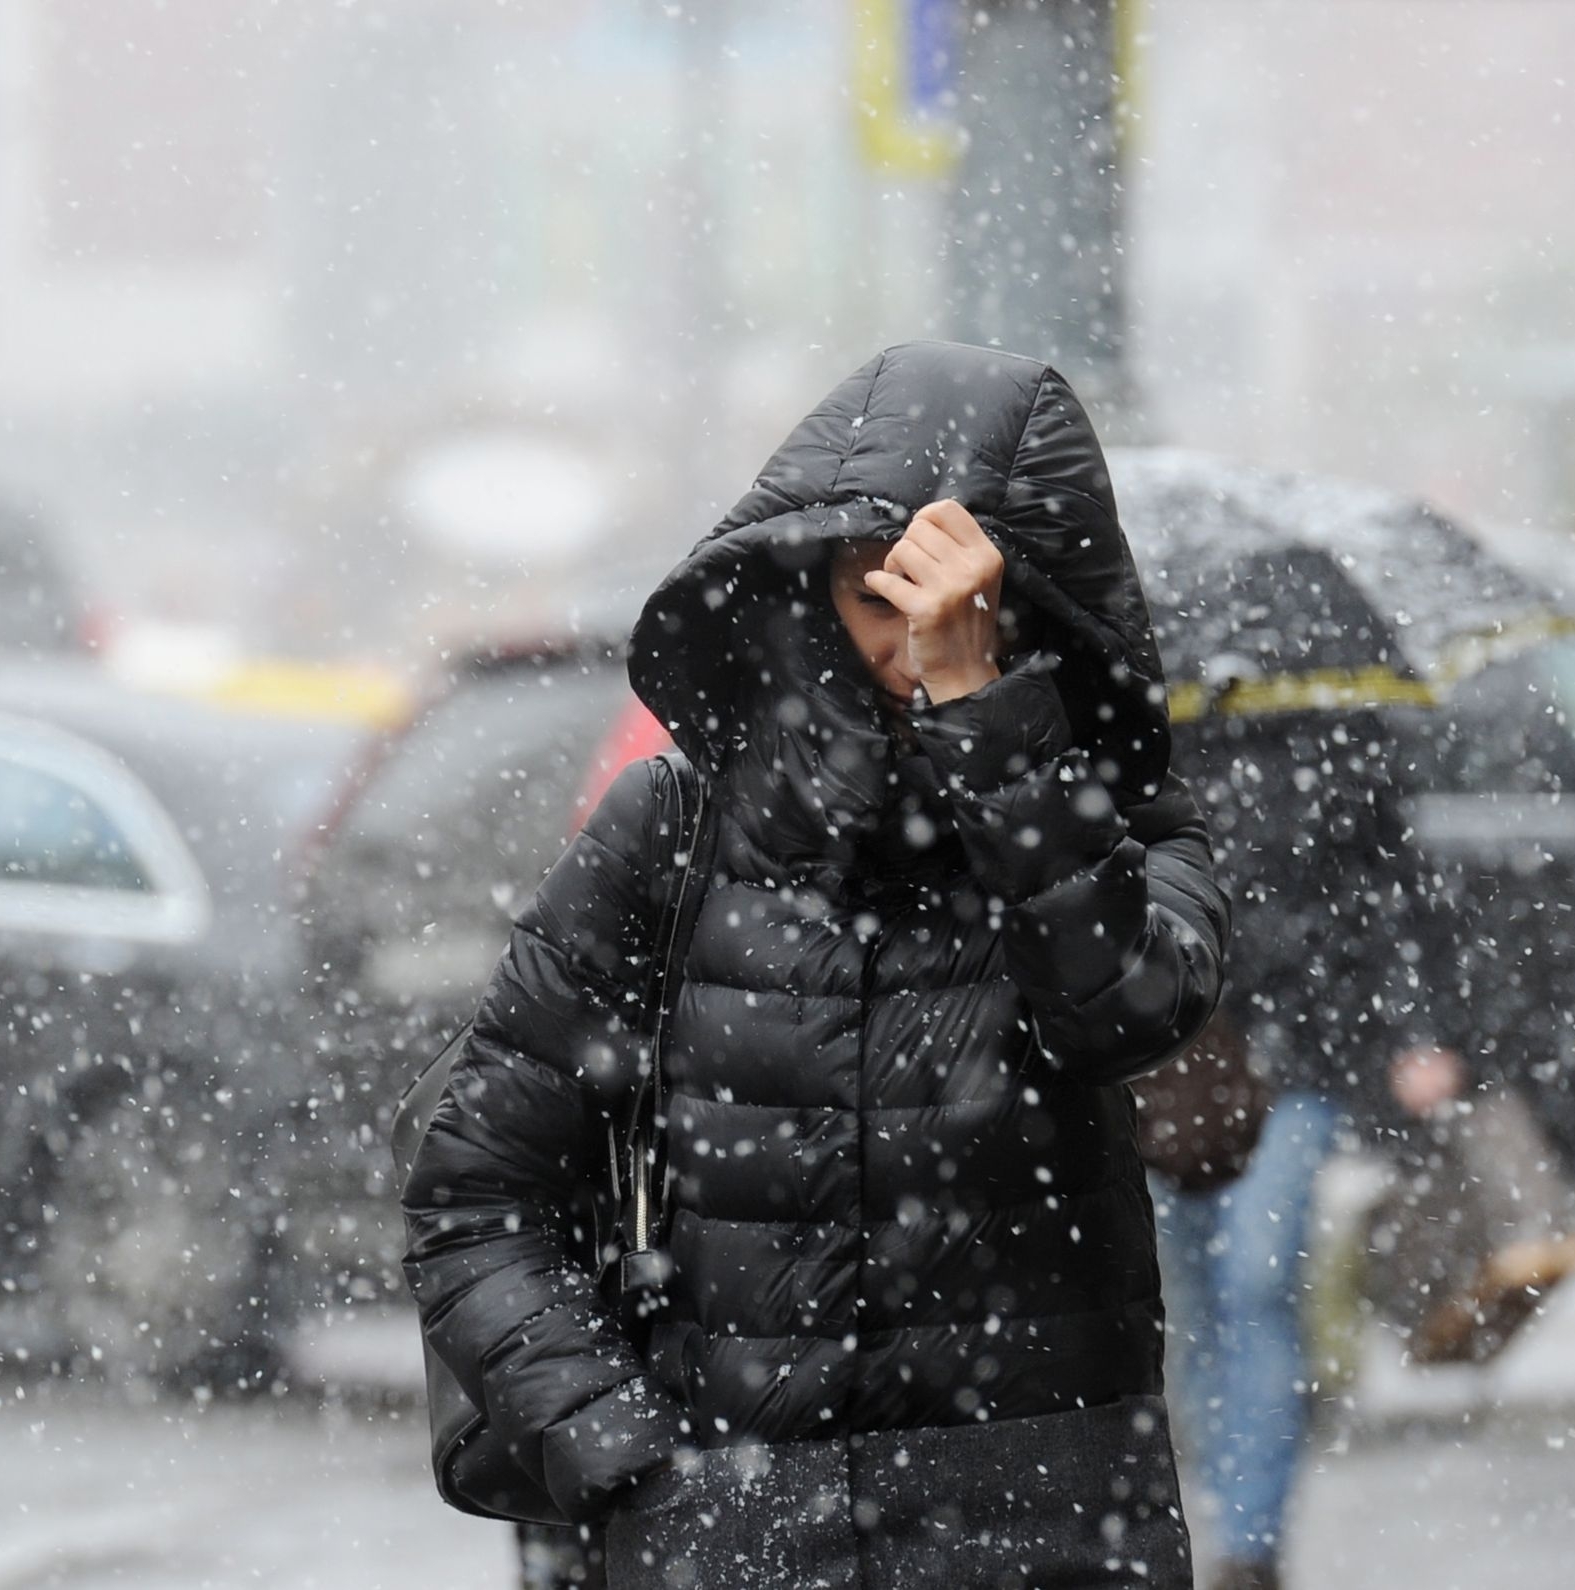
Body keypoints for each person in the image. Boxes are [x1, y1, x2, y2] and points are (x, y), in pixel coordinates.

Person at [403, 341, 1229, 1589]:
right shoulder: (671, 834)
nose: (913, 643)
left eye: (959, 603)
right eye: (877, 596)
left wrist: (986, 720)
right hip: (732, 1528)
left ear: (1036, 607)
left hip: (1046, 1532)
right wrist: (627, 1461)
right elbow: (475, 1192)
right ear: (805, 596)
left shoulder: (1118, 830)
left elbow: (1120, 1014)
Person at [1154, 708, 1575, 1590]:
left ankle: (1249, 1543)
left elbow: (1404, 889)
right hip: (1161, 1059)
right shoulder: (1136, 727)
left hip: (1293, 1057)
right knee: (1194, 1297)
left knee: (1255, 1281)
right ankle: (1217, 1513)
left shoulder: (1332, 735)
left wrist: (1422, 1028)